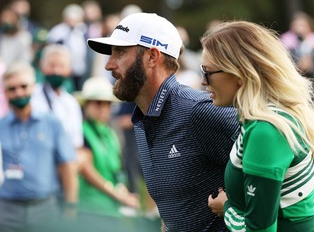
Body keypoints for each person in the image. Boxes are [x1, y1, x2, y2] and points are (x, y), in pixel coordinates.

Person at [87, 12, 239, 231]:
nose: (109, 65)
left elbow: (282, 169)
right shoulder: (142, 120)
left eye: (120, 53)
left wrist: (237, 207)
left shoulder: (200, 112)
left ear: (152, 57)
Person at [201, 21, 314, 232]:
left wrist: (227, 207)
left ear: (239, 74)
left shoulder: (266, 130)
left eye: (207, 72)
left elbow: (259, 229)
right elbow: (306, 206)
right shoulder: (276, 116)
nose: (204, 82)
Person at [0, 62, 77, 231]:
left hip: (44, 207)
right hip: (6, 210)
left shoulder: (52, 123)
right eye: (12, 89)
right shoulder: (1, 126)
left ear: (33, 87)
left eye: (23, 86)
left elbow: (68, 166)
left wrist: (71, 206)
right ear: (5, 92)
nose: (18, 92)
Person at [75, 76, 140, 218]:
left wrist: (123, 192)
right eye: (98, 103)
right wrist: (118, 195)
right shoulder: (80, 132)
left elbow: (117, 168)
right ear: (86, 105)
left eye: (107, 104)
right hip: (90, 210)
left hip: (111, 210)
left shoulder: (110, 133)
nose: (103, 108)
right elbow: (87, 170)